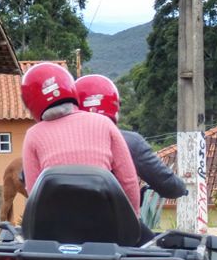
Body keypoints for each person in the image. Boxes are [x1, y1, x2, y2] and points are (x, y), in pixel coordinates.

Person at [20, 63, 141, 216]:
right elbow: (128, 180)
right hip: (105, 223)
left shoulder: (32, 135)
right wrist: (134, 216)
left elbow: (33, 189)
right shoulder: (104, 123)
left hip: (56, 226)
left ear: (30, 101)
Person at [73, 74, 187, 200]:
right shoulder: (130, 142)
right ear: (114, 105)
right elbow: (169, 185)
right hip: (114, 218)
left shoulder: (58, 142)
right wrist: (182, 188)